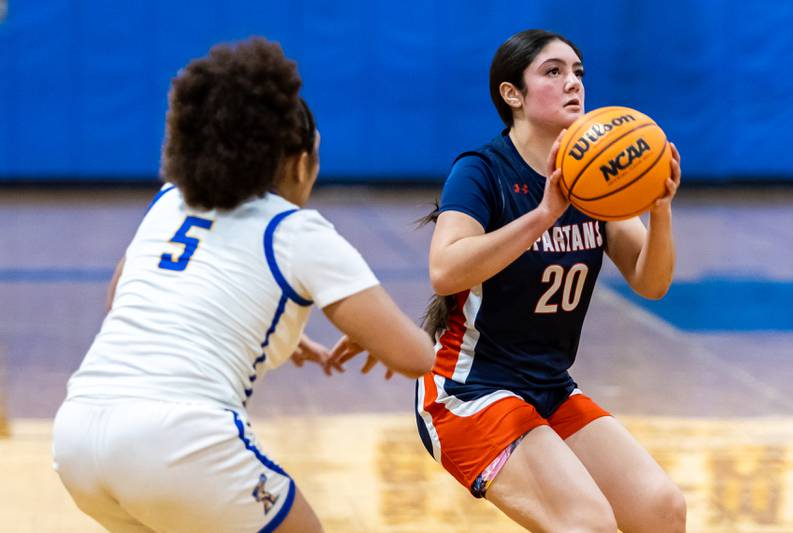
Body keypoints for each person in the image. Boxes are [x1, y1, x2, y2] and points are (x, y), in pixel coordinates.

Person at [52, 37, 434, 533]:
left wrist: (262, 329)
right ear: (301, 161)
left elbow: (121, 301)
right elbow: (417, 357)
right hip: (176, 440)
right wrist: (375, 335)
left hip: (77, 436)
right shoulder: (295, 229)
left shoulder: (170, 201)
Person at [412, 30, 685, 532]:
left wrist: (660, 211)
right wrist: (543, 214)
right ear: (511, 94)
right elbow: (444, 268)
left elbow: (651, 283)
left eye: (578, 72)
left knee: (661, 510)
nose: (573, 83)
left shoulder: (597, 178)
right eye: (553, 72)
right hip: (469, 391)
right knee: (587, 522)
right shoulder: (481, 171)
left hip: (549, 387)